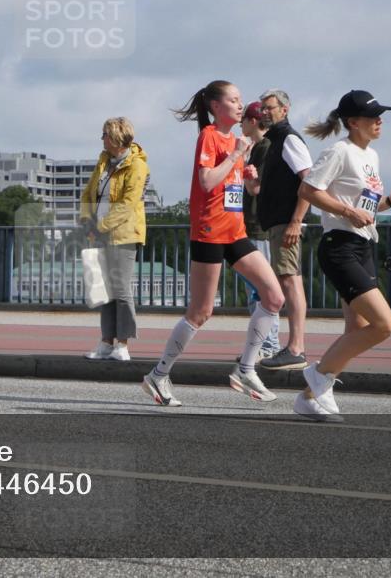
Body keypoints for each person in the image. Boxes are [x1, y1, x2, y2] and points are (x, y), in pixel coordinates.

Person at [143, 81, 285, 406]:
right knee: (201, 311)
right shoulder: (209, 136)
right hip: (209, 233)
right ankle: (159, 375)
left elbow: (246, 192)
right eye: (233, 100)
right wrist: (235, 154)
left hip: (235, 233)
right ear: (216, 108)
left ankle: (246, 368)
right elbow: (207, 181)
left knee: (274, 297)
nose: (240, 105)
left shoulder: (236, 142)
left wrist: (248, 178)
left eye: (240, 99)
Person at [295, 90, 391, 421]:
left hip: (363, 246)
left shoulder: (370, 156)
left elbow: (366, 209)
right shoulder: (339, 151)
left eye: (381, 114)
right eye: (373, 115)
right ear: (353, 122)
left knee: (357, 330)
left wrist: (390, 202)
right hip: (339, 248)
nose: (380, 120)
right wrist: (348, 212)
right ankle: (318, 375)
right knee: (384, 324)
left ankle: (309, 398)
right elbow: (307, 190)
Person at [79, 117, 149, 362]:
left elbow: (128, 204)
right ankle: (106, 342)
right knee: (103, 289)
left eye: (105, 135)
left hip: (123, 234)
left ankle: (123, 344)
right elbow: (89, 191)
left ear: (116, 138)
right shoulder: (104, 161)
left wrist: (101, 226)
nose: (102, 139)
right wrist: (87, 221)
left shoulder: (137, 165)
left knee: (120, 288)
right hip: (99, 233)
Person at [256, 89, 313, 371]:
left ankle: (296, 347)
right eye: (263, 108)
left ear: (284, 110)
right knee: (289, 280)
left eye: (270, 108)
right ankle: (293, 346)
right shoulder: (277, 140)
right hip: (279, 222)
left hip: (285, 223)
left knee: (290, 281)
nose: (264, 112)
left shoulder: (288, 139)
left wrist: (295, 221)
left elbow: (309, 182)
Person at [239, 101, 281, 361]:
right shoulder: (258, 148)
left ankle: (268, 344)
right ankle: (260, 344)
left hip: (257, 226)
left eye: (243, 119)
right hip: (251, 225)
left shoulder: (264, 148)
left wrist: (243, 170)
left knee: (261, 289)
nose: (240, 124)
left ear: (253, 121)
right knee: (255, 289)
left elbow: (256, 187)